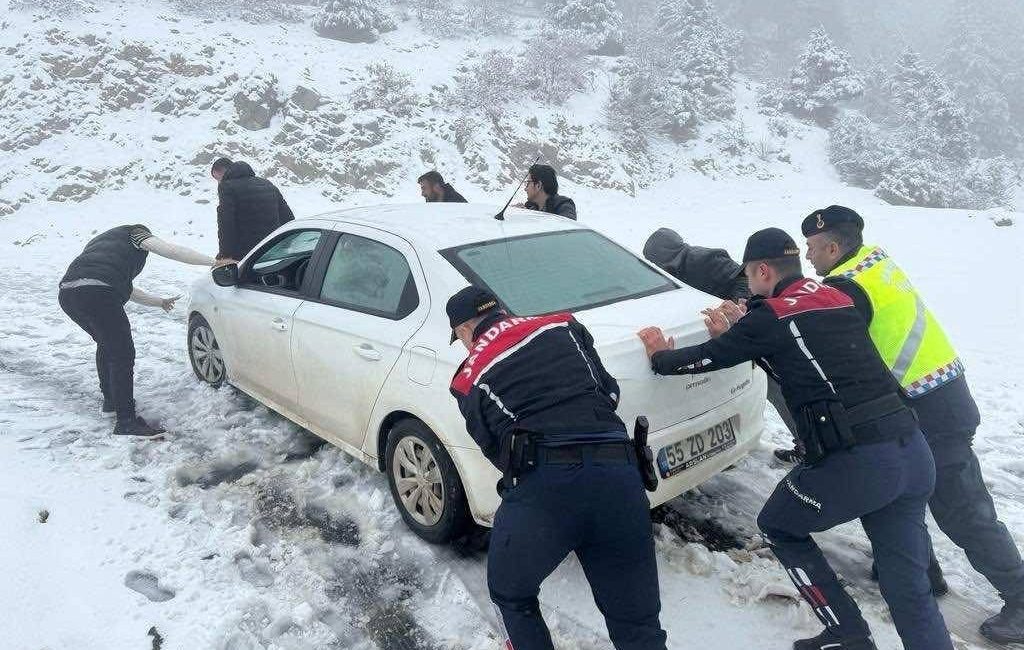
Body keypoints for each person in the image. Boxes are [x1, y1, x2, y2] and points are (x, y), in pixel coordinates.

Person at [638, 228, 952, 650]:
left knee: (779, 525)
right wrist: (745, 332)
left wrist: (658, 354)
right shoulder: (835, 296)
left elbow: (699, 360)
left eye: (749, 275)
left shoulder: (770, 318)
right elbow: (801, 354)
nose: (748, 284)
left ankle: (847, 633)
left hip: (861, 461)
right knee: (908, 585)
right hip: (912, 452)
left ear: (762, 271)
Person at [803, 205, 1024, 644]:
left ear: (832, 247)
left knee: (962, 511)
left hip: (932, 409)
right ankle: (921, 570)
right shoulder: (874, 263)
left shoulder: (847, 287)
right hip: (938, 394)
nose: (808, 256)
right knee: (904, 490)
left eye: (812, 247)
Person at [447, 286, 667, 650]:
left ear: (466, 330)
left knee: (510, 593)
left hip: (546, 490)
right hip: (618, 475)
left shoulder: (466, 379)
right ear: (500, 310)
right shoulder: (561, 324)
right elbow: (609, 393)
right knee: (637, 623)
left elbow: (497, 451)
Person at [642, 227, 801, 459]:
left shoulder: (703, 259)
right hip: (730, 330)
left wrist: (737, 304)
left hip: (745, 327)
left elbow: (742, 277)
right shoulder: (672, 271)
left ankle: (805, 443)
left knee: (776, 386)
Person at [59, 225, 215, 437]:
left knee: (107, 345)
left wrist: (159, 302)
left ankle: (111, 403)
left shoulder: (98, 245)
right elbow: (171, 250)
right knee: (122, 354)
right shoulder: (135, 232)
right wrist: (214, 262)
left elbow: (121, 286)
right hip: (98, 293)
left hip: (68, 294)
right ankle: (126, 422)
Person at [212, 158, 294, 264]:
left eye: (218, 178)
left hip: (248, 256)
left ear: (224, 172)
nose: (219, 182)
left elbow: (226, 224)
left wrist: (224, 255)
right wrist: (285, 246)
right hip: (273, 251)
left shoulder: (226, 187)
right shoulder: (267, 183)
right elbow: (288, 217)